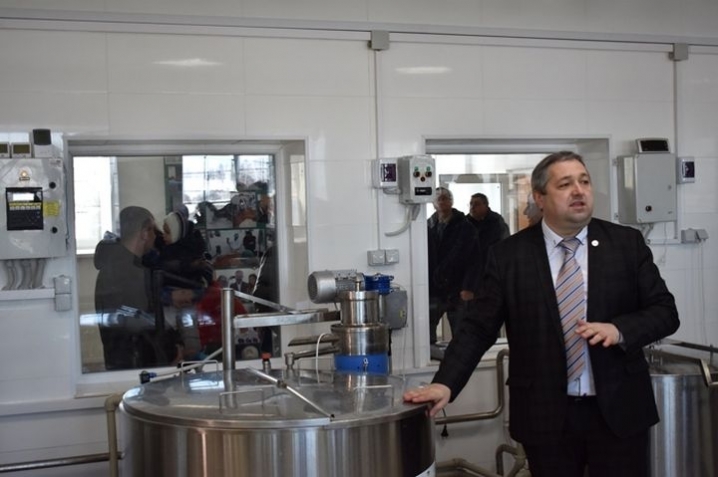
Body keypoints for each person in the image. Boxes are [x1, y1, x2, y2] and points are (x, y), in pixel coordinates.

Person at [405, 151, 680, 477]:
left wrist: (618, 330)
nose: (578, 191)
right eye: (565, 184)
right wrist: (445, 384)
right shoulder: (509, 256)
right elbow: (478, 329)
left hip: (619, 411)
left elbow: (665, 312)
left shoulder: (625, 244)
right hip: (545, 416)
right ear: (539, 197)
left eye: (584, 182)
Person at [427, 187, 481, 344]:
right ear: (433, 203)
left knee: (461, 332)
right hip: (434, 288)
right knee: (427, 332)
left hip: (457, 288)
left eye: (445, 198)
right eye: (438, 199)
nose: (442, 202)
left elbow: (474, 260)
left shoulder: (465, 227)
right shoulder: (428, 226)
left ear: (451, 201)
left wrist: (469, 287)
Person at [466, 192, 510, 289]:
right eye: (471, 204)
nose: (472, 207)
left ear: (485, 205)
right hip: (470, 272)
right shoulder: (466, 223)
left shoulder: (496, 223)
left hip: (491, 271)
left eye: (476, 204)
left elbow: (501, 248)